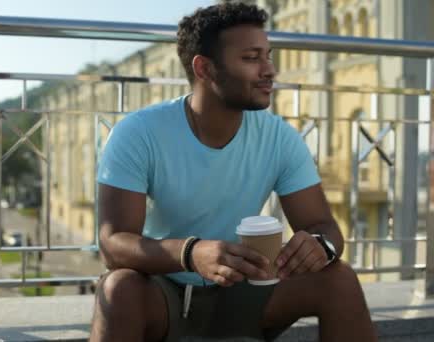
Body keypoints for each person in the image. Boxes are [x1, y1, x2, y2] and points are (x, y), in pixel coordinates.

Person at [90, 2, 377, 342]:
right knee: (118, 286)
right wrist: (191, 253)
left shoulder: (279, 137)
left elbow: (325, 227)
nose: (269, 70)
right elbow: (114, 245)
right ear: (205, 69)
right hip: (165, 298)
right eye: (252, 58)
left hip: (249, 293)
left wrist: (319, 246)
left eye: (268, 56)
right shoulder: (139, 132)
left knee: (338, 277)